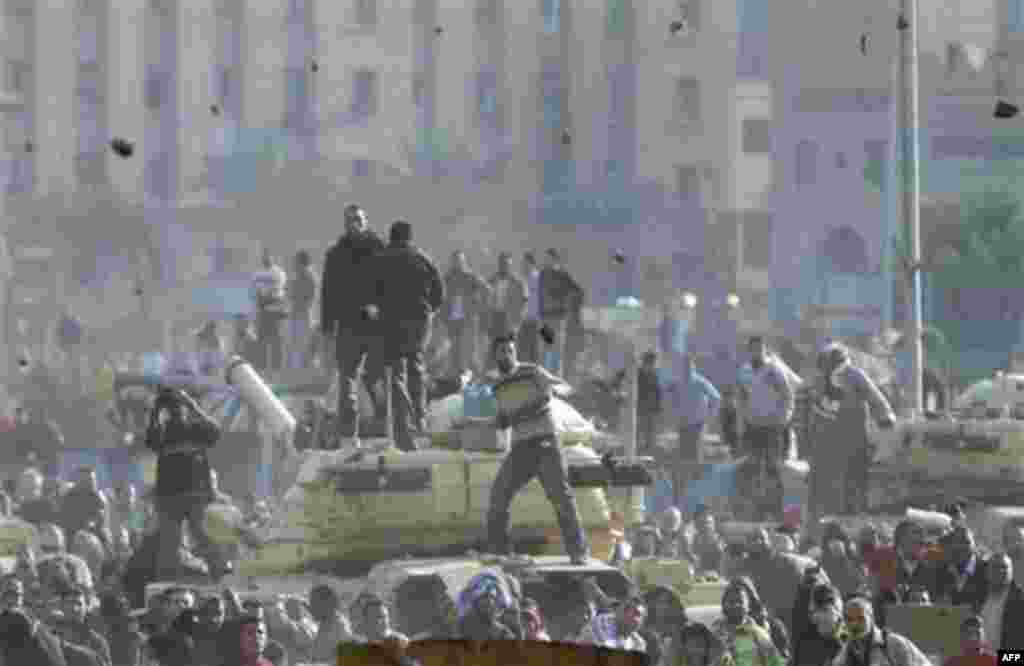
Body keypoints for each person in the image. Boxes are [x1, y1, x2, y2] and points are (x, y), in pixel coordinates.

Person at [465, 335, 589, 564]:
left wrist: (518, 414)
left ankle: (578, 551)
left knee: (561, 497)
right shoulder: (498, 385)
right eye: (503, 352)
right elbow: (503, 420)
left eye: (511, 351)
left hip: (545, 443)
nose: (508, 355)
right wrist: (474, 423)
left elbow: (544, 399)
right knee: (499, 495)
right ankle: (499, 551)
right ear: (495, 355)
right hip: (521, 447)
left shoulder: (531, 372)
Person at [364, 221, 445, 450]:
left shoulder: (380, 259)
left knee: (396, 373)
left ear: (391, 237)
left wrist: (377, 313)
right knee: (416, 366)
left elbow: (370, 292)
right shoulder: (422, 257)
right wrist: (430, 309)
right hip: (419, 321)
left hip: (392, 322)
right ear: (410, 237)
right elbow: (439, 291)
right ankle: (420, 415)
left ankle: (403, 424)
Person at [320, 204, 387, 447]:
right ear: (345, 223)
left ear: (365, 221)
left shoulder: (379, 248)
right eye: (350, 219)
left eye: (358, 219)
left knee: (376, 374)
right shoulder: (335, 254)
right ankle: (349, 432)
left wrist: (386, 311)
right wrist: (327, 327)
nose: (354, 223)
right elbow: (327, 292)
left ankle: (383, 418)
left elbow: (389, 284)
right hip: (348, 324)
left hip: (375, 323)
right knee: (347, 379)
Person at [144, 387, 228, 580]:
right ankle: (168, 581)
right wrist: (158, 410)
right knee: (170, 543)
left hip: (190, 495)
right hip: (172, 497)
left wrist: (192, 405)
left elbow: (215, 431)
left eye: (178, 407)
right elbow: (150, 441)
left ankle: (218, 572)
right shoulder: (164, 431)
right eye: (172, 407)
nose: (176, 410)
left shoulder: (194, 429)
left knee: (201, 535)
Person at [807, 342, 895, 519]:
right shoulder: (820, 380)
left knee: (856, 472)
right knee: (832, 475)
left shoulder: (854, 375)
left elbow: (874, 396)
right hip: (830, 436)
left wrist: (884, 418)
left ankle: (857, 508)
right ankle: (834, 510)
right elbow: (816, 409)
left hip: (854, 433)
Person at [736, 337, 794, 520]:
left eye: (759, 349)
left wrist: (783, 418)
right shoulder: (744, 372)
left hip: (772, 426)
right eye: (753, 349)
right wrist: (743, 418)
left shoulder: (774, 370)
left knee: (772, 468)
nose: (756, 353)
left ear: (764, 350)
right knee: (751, 466)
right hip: (753, 426)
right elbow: (741, 398)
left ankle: (776, 509)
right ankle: (754, 510)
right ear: (749, 351)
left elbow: (787, 395)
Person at [668, 353, 721, 508]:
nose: (686, 368)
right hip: (683, 425)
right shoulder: (678, 382)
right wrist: (673, 413)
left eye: (688, 365)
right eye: (684, 365)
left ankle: (696, 491)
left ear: (693, 366)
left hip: (697, 425)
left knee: (695, 457)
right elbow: (670, 396)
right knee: (683, 458)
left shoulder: (700, 381)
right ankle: (683, 491)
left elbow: (716, 398)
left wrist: (709, 417)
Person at [835, 595, 931, 666]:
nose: (854, 624)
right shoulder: (845, 652)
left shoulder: (893, 644)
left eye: (860, 619)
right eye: (849, 619)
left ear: (872, 618)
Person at [443, 250, 490, 374]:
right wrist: (443, 314)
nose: (457, 263)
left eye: (460, 261)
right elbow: (443, 297)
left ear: (464, 262)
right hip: (453, 319)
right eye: (455, 261)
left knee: (470, 352)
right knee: (454, 350)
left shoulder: (470, 276)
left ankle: (477, 376)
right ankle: (457, 378)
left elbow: (486, 290)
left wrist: (479, 307)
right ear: (452, 262)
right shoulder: (447, 277)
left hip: (468, 319)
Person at [538, 249, 584, 377]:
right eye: (545, 259)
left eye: (548, 259)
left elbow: (577, 291)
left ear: (555, 259)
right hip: (545, 317)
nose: (546, 261)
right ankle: (543, 377)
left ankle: (557, 378)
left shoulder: (563, 275)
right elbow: (540, 295)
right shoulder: (543, 274)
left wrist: (568, 306)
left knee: (557, 350)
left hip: (558, 318)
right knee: (544, 348)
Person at [975, 552, 1024, 651]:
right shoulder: (978, 597)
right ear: (987, 571)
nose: (1001, 571)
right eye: (996, 567)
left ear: (1011, 571)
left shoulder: (1020, 600)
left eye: (1005, 567)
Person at [251, 249, 289, 373]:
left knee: (276, 340)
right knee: (261, 340)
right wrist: (259, 300)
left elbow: (279, 291)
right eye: (263, 256)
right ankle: (262, 368)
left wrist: (267, 298)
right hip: (262, 311)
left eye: (268, 256)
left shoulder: (279, 273)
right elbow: (254, 292)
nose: (266, 258)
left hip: (275, 310)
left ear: (272, 257)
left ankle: (276, 368)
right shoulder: (257, 274)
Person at [486, 252, 529, 356]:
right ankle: (494, 370)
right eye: (502, 264)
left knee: (510, 348)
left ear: (510, 265)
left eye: (507, 264)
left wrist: (518, 322)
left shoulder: (518, 282)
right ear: (499, 264)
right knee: (495, 348)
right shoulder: (491, 280)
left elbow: (525, 302)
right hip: (495, 317)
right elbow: (484, 301)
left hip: (510, 319)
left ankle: (511, 370)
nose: (504, 267)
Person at [287, 249, 318, 370]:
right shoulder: (297, 276)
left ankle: (307, 368)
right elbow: (290, 294)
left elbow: (311, 298)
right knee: (295, 343)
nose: (294, 265)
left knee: (305, 343)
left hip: (305, 314)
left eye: (296, 262)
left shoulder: (310, 276)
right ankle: (298, 368)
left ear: (302, 262)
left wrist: (302, 308)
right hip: (296, 313)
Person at [637, 351, 663, 456]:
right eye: (650, 362)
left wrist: (658, 406)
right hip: (640, 407)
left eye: (653, 363)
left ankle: (648, 450)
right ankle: (638, 449)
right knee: (639, 429)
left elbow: (658, 391)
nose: (652, 365)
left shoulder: (655, 374)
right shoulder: (637, 373)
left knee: (650, 431)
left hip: (651, 407)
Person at [519, 252, 542, 364]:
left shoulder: (538, 278)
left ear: (531, 263)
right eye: (523, 263)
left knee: (535, 350)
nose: (523, 265)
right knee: (523, 350)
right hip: (523, 320)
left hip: (535, 320)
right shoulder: (522, 279)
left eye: (525, 263)